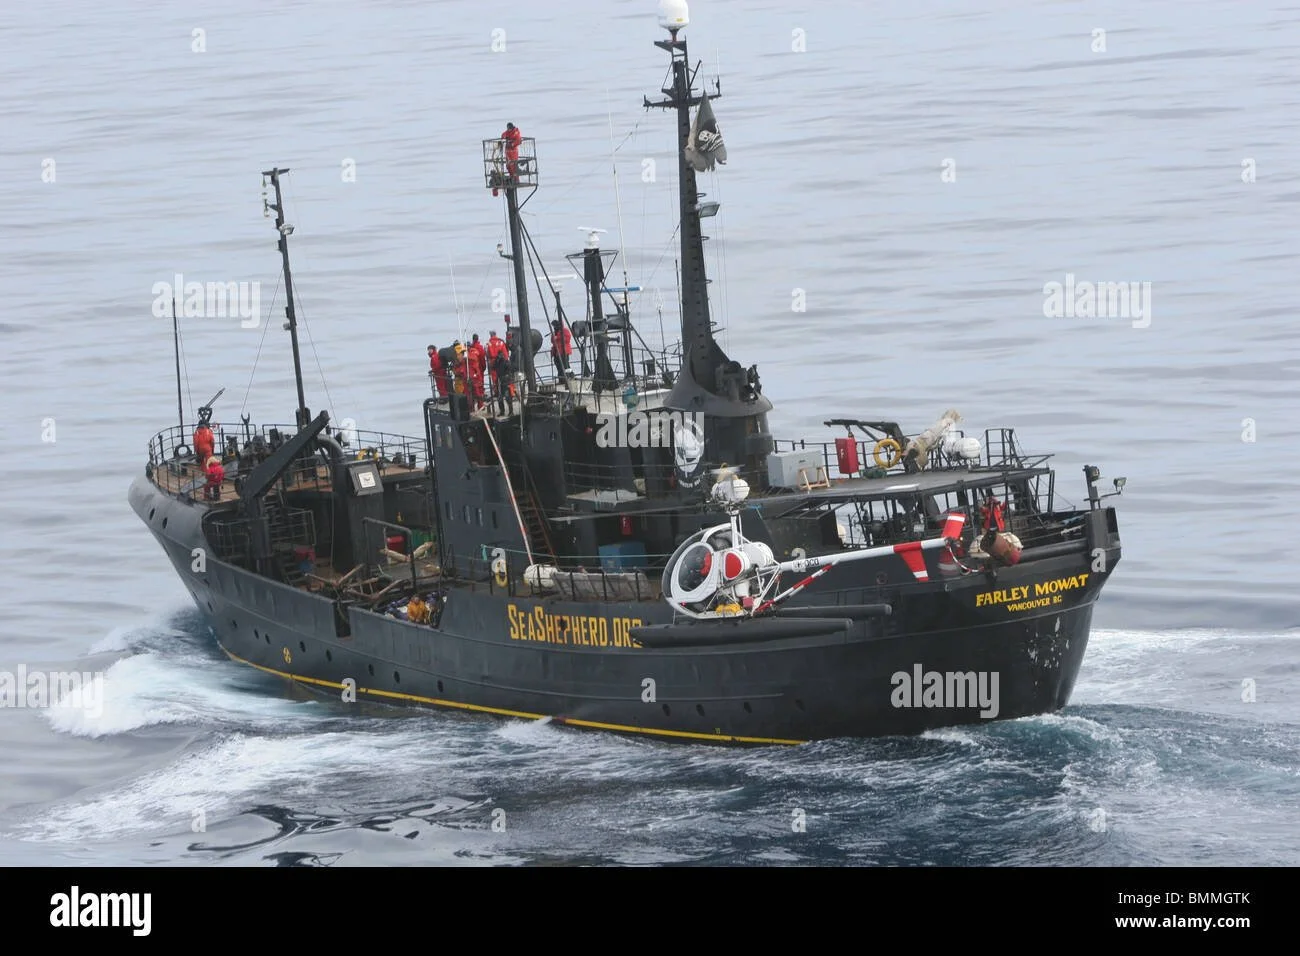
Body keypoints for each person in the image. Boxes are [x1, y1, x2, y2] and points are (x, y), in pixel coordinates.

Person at [468, 334, 487, 408]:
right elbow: (482, 358)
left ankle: (474, 406)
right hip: (478, 371)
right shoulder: (479, 348)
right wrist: (483, 367)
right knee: (479, 389)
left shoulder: (470, 352)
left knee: (473, 391)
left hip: (473, 373)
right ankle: (480, 404)